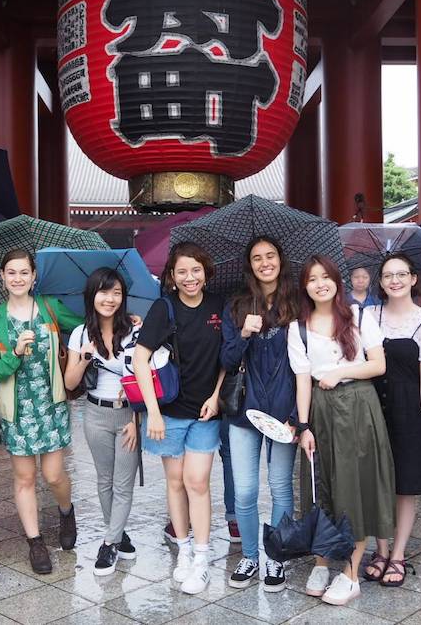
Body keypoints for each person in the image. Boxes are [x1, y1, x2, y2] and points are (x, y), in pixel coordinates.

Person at [289, 254, 393, 606]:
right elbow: (303, 381)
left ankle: (350, 573)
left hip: (359, 408)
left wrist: (339, 372)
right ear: (304, 286)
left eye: (326, 277)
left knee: (355, 485)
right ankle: (321, 562)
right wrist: (304, 426)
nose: (320, 283)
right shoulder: (298, 327)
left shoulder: (360, 316)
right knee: (323, 485)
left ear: (337, 280)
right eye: (312, 278)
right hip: (320, 410)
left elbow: (378, 364)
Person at [0, 248, 83, 575]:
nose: (18, 278)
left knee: (53, 476)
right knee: (24, 478)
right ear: (2, 277)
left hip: (51, 405)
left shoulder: (50, 308)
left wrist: (118, 322)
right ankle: (35, 542)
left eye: (24, 272)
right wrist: (14, 354)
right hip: (17, 410)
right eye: (11, 272)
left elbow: (83, 327)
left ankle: (66, 511)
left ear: (34, 276)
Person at [133, 241, 225, 595]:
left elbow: (226, 360)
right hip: (169, 413)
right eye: (182, 271)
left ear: (206, 271)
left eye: (196, 270)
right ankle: (183, 549)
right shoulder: (163, 308)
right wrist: (152, 413)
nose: (190, 278)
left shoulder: (219, 306)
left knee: (197, 481)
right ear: (171, 276)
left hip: (205, 412)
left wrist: (217, 396)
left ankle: (201, 557)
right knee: (175, 483)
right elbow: (141, 360)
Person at [220, 236, 299, 591]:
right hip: (245, 412)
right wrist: (243, 333)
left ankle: (277, 558)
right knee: (246, 490)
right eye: (257, 258)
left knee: (281, 487)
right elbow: (226, 359)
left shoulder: (298, 303)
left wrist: (297, 415)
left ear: (280, 260)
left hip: (284, 412)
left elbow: (306, 363)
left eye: (270, 256)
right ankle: (251, 555)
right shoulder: (237, 304)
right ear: (249, 265)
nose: (264, 262)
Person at [362, 253, 421, 587]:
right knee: (376, 481)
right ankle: (380, 549)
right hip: (371, 405)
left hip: (409, 408)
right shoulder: (368, 315)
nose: (395, 280)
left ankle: (399, 554)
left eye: (401, 274)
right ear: (380, 282)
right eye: (388, 275)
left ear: (413, 278)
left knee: (406, 486)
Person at [63, 267, 140, 576]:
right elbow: (70, 383)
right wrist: (82, 357)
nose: (110, 299)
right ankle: (118, 534)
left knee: (123, 483)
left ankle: (109, 543)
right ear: (92, 295)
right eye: (104, 292)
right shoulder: (80, 334)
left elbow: (146, 376)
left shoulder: (135, 331)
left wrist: (137, 417)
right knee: (103, 480)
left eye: (116, 293)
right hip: (94, 413)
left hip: (128, 415)